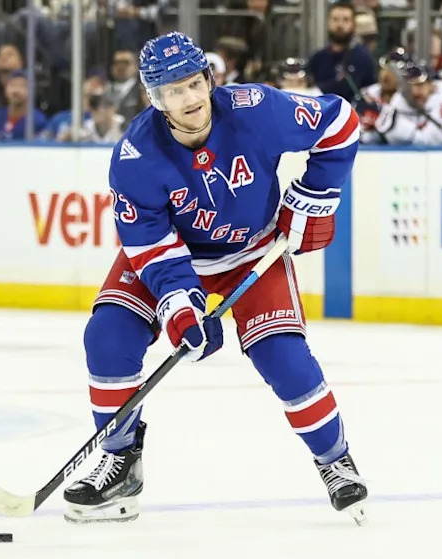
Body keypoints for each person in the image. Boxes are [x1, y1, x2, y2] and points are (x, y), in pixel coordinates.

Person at [63, 32, 367, 525]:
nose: (189, 99)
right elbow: (155, 251)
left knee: (285, 360)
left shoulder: (257, 110)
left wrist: (313, 198)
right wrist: (181, 308)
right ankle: (120, 461)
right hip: (177, 256)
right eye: (173, 91)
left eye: (193, 83)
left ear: (208, 79)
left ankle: (335, 460)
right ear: (154, 99)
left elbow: (340, 123)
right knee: (107, 336)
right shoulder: (134, 158)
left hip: (252, 253)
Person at [308, 1, 377, 102]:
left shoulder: (363, 58)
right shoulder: (317, 58)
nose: (340, 25)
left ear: (353, 24)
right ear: (328, 22)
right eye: (335, 19)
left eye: (345, 20)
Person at [0, 70, 48, 141]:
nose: (16, 90)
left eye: (23, 86)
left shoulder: (38, 121)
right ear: (5, 90)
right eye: (12, 85)